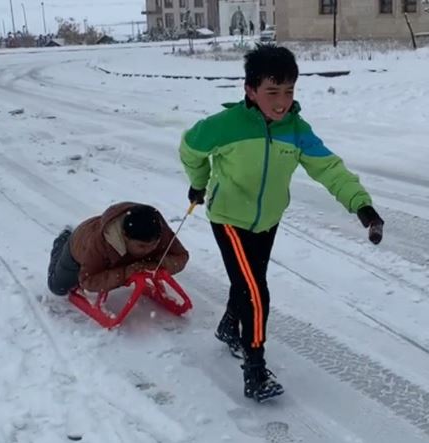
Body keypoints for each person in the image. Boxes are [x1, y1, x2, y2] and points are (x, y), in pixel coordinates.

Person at [178, 44, 384, 401]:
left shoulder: (297, 130)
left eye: (289, 91)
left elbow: (329, 168)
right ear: (250, 90)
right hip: (229, 218)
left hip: (268, 220)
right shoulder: (224, 126)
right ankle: (254, 368)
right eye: (272, 91)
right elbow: (191, 148)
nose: (281, 101)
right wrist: (199, 182)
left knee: (248, 282)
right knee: (256, 292)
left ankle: (230, 326)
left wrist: (361, 205)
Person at [47, 202, 189, 296]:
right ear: (125, 237)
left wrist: (156, 264)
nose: (149, 250)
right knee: (57, 287)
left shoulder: (158, 229)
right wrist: (125, 273)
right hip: (79, 247)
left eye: (154, 244)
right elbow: (88, 281)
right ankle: (63, 239)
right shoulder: (98, 244)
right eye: (142, 246)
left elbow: (181, 256)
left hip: (121, 250)